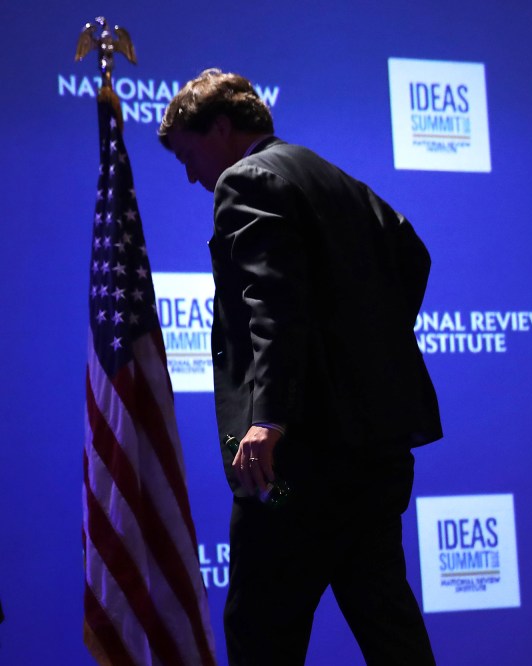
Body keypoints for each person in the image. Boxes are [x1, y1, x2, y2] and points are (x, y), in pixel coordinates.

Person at [158, 69, 442, 665]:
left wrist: (270, 419)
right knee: (389, 627)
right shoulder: (338, 180)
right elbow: (413, 256)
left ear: (221, 128)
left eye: (188, 155)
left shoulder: (245, 180)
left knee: (260, 633)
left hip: (296, 467)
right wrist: (363, 351)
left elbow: (274, 307)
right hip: (373, 454)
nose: (190, 175)